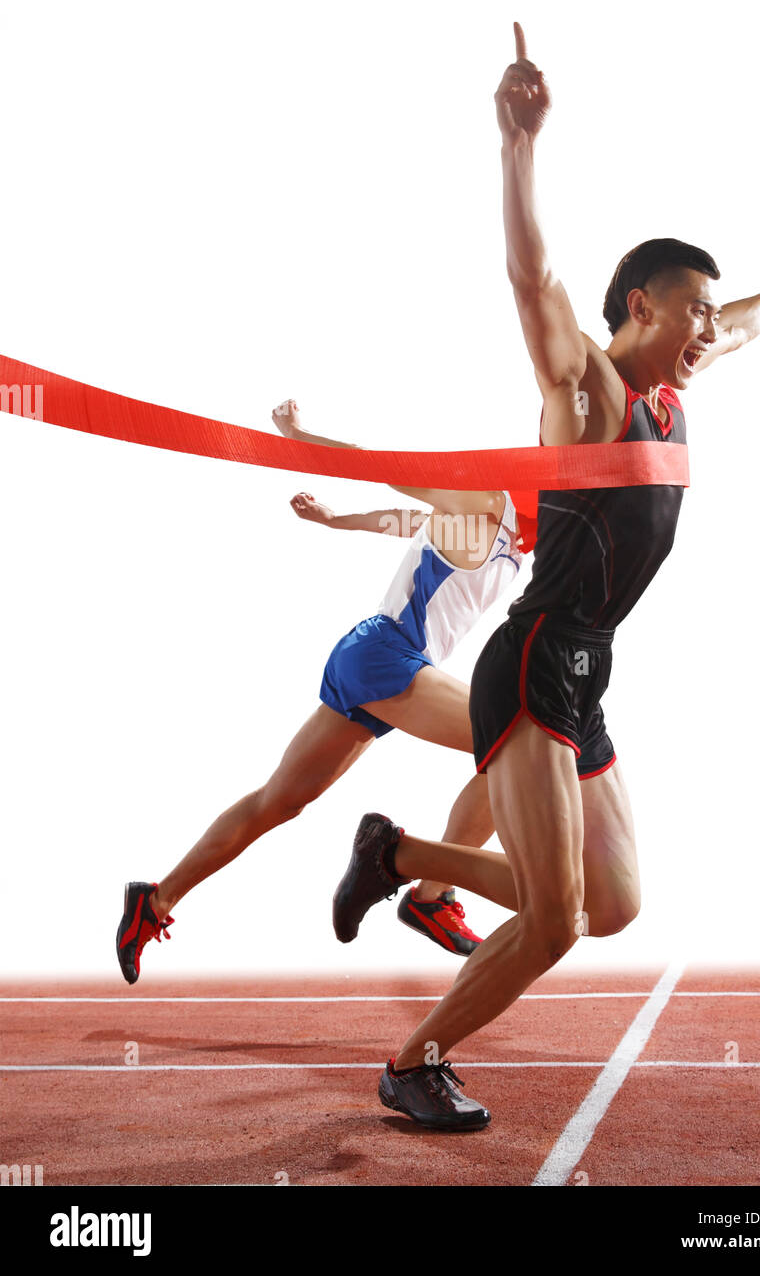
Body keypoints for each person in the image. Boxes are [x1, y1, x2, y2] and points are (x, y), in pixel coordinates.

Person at [332, 22, 760, 1131]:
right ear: (639, 310)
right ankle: (413, 1059)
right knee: (555, 922)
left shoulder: (672, 391)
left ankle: (399, 853)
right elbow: (533, 281)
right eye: (690, 310)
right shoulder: (590, 391)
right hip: (525, 664)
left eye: (710, 312)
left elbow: (744, 325)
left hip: (583, 671)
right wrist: (516, 144)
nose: (709, 327)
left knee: (610, 901)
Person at [115, 398, 528, 983]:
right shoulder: (493, 506)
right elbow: (384, 466)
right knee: (515, 737)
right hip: (388, 658)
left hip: (373, 659)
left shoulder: (507, 536)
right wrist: (301, 436)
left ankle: (153, 901)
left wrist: (335, 521)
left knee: (279, 801)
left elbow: (405, 520)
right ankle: (430, 896)